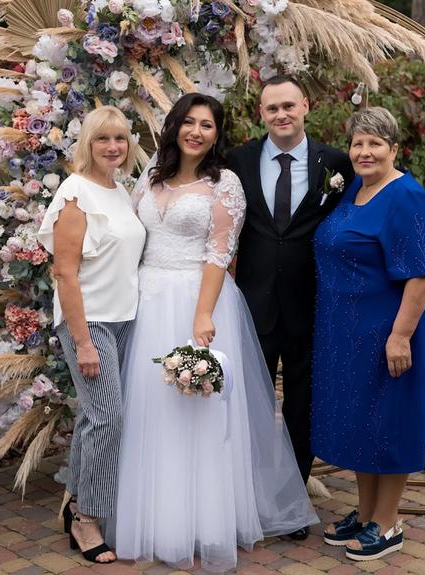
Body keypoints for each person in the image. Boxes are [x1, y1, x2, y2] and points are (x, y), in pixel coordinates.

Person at [105, 93, 318, 572]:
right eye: (189, 122)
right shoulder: (150, 176)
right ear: (174, 126)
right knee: (150, 409)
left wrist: (202, 315)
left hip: (197, 300)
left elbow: (219, 253)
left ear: (217, 135)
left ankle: (202, 520)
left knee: (196, 411)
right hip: (145, 303)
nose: (196, 132)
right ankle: (155, 514)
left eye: (207, 125)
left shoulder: (224, 184)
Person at [227, 75, 355, 538]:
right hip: (250, 306)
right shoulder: (237, 161)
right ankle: (250, 498)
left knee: (302, 407)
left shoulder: (336, 163)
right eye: (271, 108)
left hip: (312, 305)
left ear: (305, 105)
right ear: (261, 114)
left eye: (288, 105)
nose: (281, 115)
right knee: (248, 407)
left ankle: (291, 503)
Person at [311, 107, 425, 561]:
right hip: (348, 333)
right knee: (361, 419)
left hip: (390, 331)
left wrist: (400, 335)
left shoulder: (407, 197)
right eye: (358, 143)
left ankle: (388, 524)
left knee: (389, 419)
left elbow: (423, 274)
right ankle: (366, 514)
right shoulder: (357, 189)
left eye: (375, 144)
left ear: (394, 149)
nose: (364, 152)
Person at [37, 106, 146, 563]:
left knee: (92, 419)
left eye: (120, 139)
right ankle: (88, 517)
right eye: (103, 139)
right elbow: (64, 273)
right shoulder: (75, 192)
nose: (113, 147)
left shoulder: (119, 191)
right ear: (87, 143)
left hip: (125, 320)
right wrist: (82, 341)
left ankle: (76, 505)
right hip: (91, 322)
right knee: (108, 418)